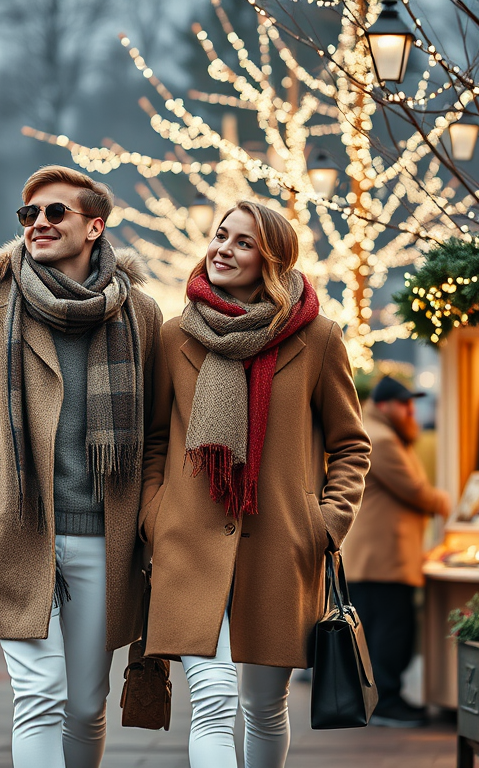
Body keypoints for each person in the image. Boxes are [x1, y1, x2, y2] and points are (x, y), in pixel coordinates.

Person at [0, 165, 169, 768]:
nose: (37, 223)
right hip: (18, 526)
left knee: (87, 704)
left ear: (94, 226)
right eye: (28, 214)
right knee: (40, 696)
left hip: (105, 536)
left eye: (54, 213)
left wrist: (151, 513)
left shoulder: (138, 314)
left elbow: (157, 431)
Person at [140, 200, 371, 768]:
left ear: (270, 260)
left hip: (280, 547)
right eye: (221, 235)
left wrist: (324, 524)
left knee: (265, 708)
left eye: (242, 242)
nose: (223, 249)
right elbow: (153, 444)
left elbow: (350, 446)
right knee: (213, 700)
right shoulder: (174, 336)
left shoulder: (317, 338)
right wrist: (156, 514)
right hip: (189, 542)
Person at [342, 375, 451, 728]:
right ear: (385, 405)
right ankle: (386, 701)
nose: (411, 411)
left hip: (379, 558)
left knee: (380, 632)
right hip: (381, 559)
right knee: (392, 632)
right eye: (404, 404)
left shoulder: (382, 432)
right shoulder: (383, 439)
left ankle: (380, 700)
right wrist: (447, 502)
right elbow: (415, 490)